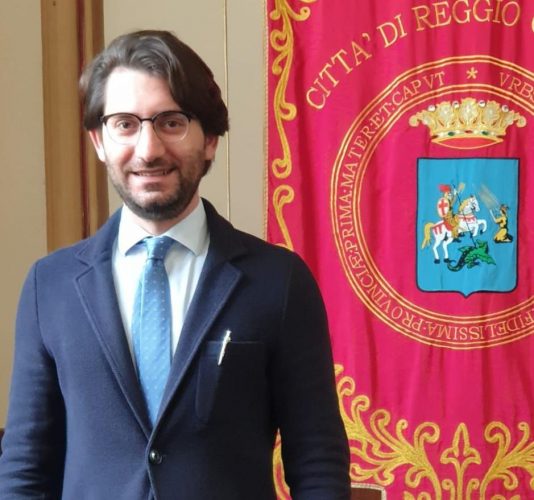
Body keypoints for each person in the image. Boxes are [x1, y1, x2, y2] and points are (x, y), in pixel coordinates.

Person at [0, 30, 350, 499]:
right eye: (125, 124)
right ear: (99, 141)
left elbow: (318, 461)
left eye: (171, 122)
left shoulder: (279, 282)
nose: (148, 149)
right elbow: (25, 467)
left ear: (210, 140)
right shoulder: (51, 286)